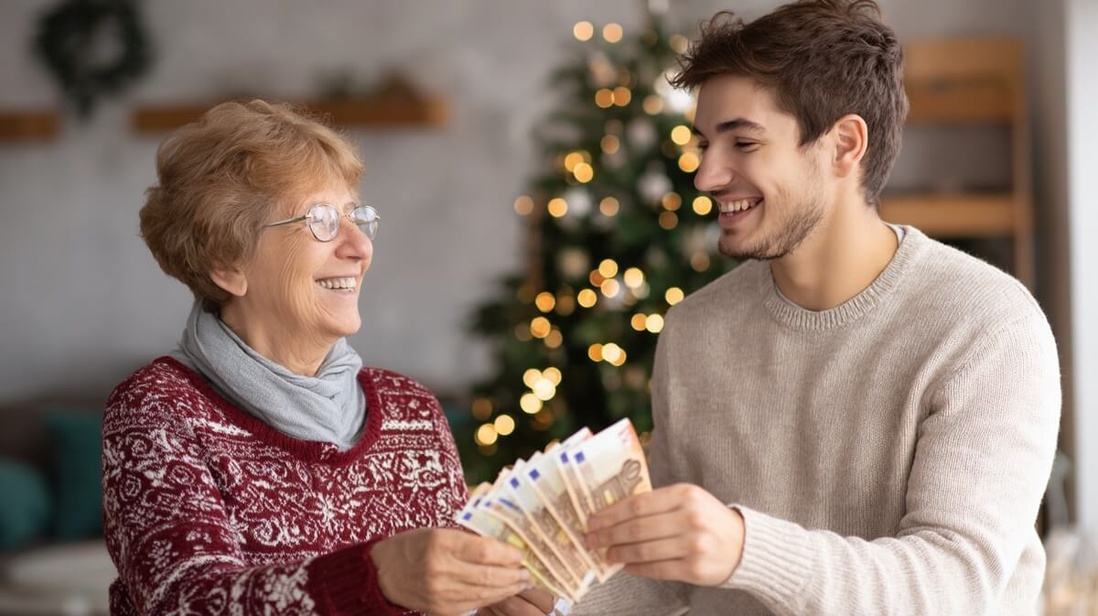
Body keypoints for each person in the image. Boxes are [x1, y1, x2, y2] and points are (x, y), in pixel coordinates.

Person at [564, 1, 1062, 614]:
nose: (706, 175)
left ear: (844, 146)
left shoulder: (985, 324)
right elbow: (669, 572)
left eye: (742, 141)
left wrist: (746, 547)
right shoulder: (695, 330)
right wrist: (553, 597)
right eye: (703, 143)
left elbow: (955, 586)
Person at [101, 99, 552, 616]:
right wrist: (379, 577)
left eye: (357, 216)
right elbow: (189, 604)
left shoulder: (414, 412)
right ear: (227, 261)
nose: (360, 245)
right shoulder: (159, 409)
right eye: (320, 220)